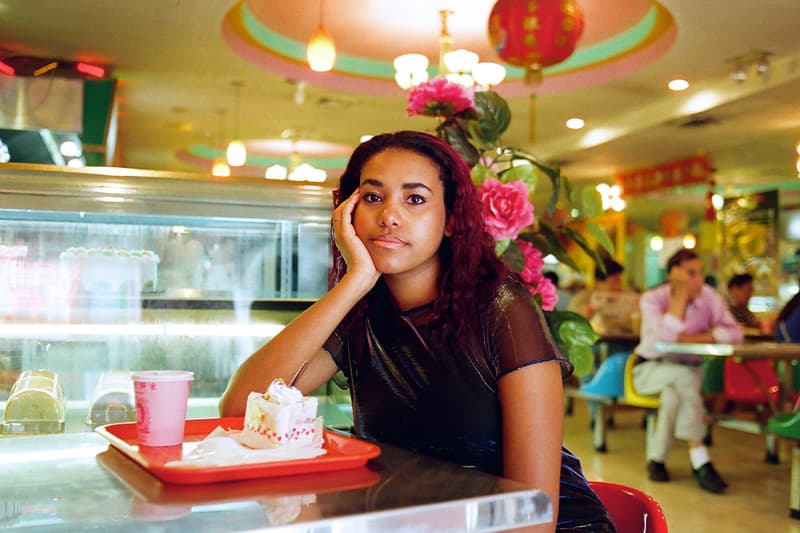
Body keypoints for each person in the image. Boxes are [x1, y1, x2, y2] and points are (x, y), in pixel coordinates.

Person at [220, 131, 615, 532]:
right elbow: (241, 408)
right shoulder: (362, 315)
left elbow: (534, 518)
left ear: (451, 220)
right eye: (373, 197)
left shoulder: (502, 307)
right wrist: (354, 282)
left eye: (415, 199)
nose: (389, 216)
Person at [633, 248, 743, 494]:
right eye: (690, 273)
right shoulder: (652, 299)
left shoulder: (709, 297)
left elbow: (735, 333)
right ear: (673, 274)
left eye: (700, 272)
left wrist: (699, 337)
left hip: (688, 373)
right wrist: (680, 294)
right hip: (649, 370)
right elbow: (666, 338)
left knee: (673, 397)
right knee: (685, 378)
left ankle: (656, 460)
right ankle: (699, 455)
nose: (698, 279)